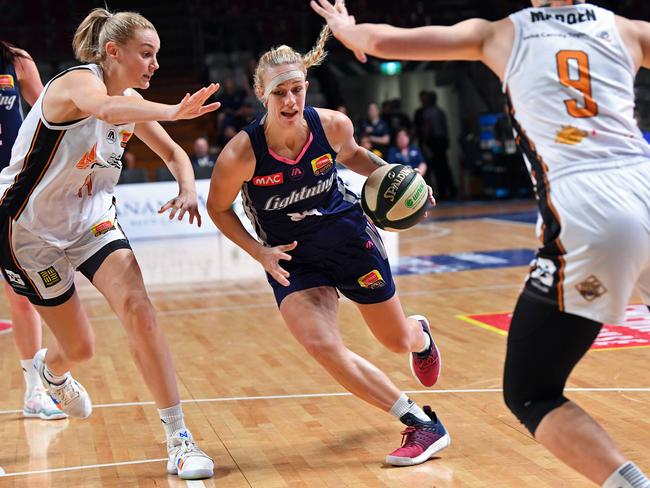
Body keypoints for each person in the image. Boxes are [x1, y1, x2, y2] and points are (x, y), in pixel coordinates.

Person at [311, 0, 650, 486]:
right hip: (646, 180)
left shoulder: (503, 33)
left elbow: (385, 42)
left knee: (532, 391)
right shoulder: (626, 28)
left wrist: (347, 29)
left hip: (593, 211)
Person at [206, 25, 449, 467]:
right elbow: (218, 209)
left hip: (350, 238)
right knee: (321, 345)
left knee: (395, 340)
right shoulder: (240, 154)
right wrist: (257, 251)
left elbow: (354, 154)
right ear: (261, 92)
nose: (290, 101)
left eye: (297, 89)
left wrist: (405, 179)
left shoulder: (332, 125)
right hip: (291, 257)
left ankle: (419, 336)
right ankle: (421, 422)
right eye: (280, 92)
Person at [0, 9, 220, 480]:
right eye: (147, 54)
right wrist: (172, 110)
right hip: (28, 231)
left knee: (140, 309)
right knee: (79, 347)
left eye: (158, 55)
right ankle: (51, 373)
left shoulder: (129, 101)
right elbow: (105, 111)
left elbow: (176, 152)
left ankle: (179, 439)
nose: (155, 65)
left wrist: (186, 186)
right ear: (113, 52)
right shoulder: (77, 84)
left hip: (92, 222)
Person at [0, 40, 66, 421]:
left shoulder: (17, 60)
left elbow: (47, 115)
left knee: (21, 296)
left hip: (11, 191)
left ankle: (33, 391)